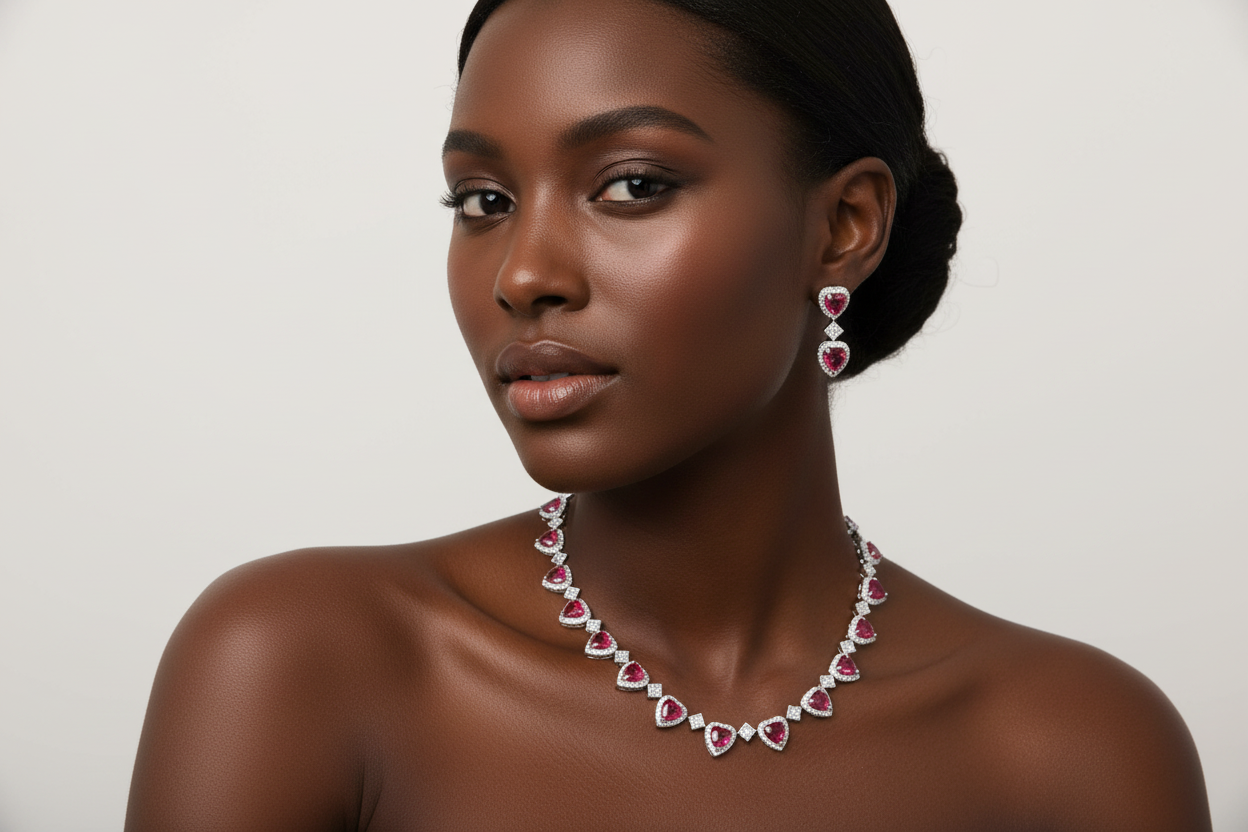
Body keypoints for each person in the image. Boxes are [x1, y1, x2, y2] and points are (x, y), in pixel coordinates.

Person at [124, 0, 1212, 828]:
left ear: (843, 226)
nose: (524, 273)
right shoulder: (299, 660)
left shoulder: (1075, 750)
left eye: (632, 184)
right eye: (483, 203)